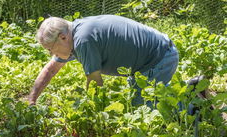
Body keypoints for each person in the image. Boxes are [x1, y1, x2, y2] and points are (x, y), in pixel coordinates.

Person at [28, 15, 179, 106]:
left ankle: (192, 103)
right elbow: (50, 69)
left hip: (159, 58)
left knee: (143, 108)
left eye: (50, 48)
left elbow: (95, 85)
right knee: (139, 98)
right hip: (153, 58)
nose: (50, 54)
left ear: (62, 37)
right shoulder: (74, 35)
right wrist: (32, 100)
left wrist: (90, 115)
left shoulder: (83, 41)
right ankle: (193, 87)